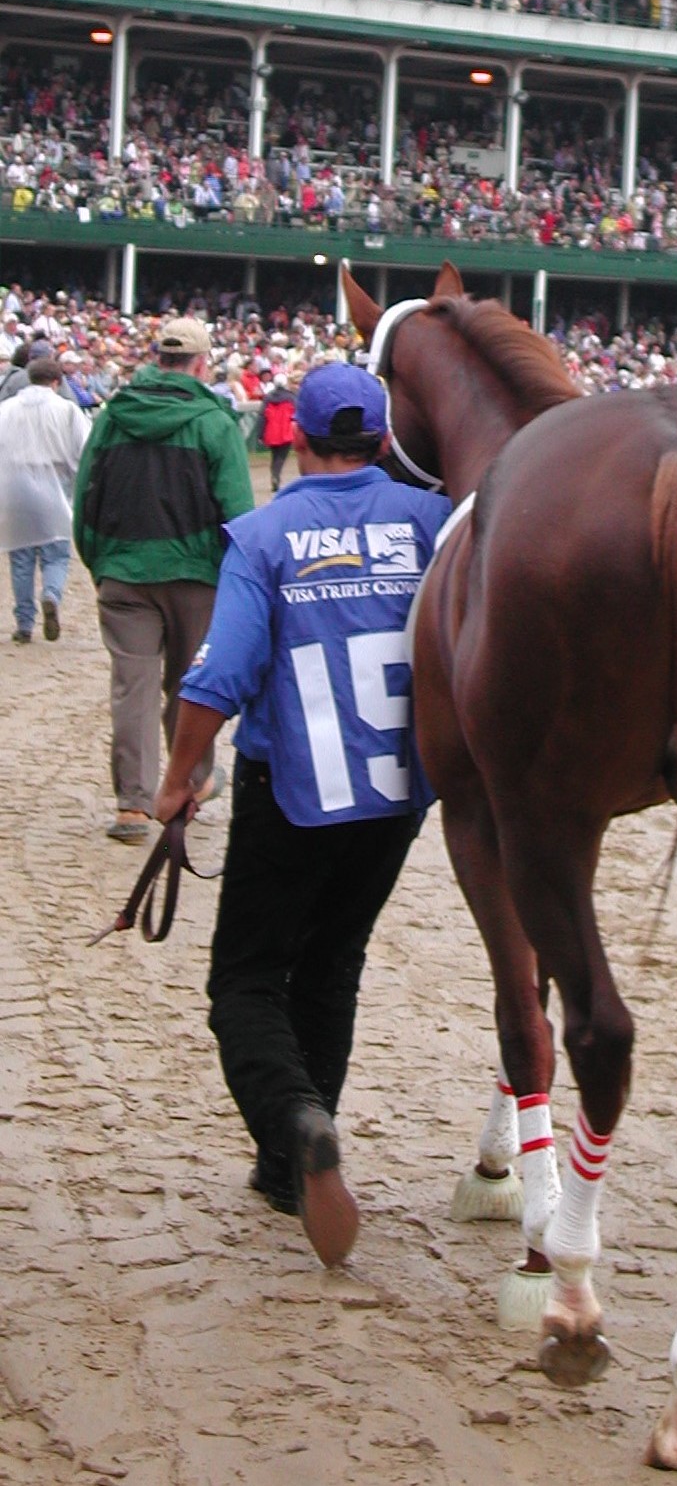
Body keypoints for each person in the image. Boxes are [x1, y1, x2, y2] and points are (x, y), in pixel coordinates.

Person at [153, 363, 450, 1268]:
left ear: (298, 436)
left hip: (289, 786)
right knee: (332, 965)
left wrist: (177, 774)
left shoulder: (266, 532)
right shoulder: (434, 522)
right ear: (382, 440)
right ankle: (286, 1166)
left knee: (244, 979)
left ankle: (294, 1126)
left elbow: (220, 673)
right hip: (397, 789)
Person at [73, 316, 254, 844]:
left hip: (123, 573)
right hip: (196, 577)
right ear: (200, 365)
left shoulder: (112, 418)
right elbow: (238, 513)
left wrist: (98, 561)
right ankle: (192, 784)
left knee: (133, 686)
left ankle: (132, 805)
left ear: (157, 359)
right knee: (189, 685)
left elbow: (86, 494)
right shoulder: (215, 422)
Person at [0, 355, 90, 642]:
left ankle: (24, 624)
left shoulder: (7, 408)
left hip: (14, 485)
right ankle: (51, 593)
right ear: (56, 381)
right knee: (56, 554)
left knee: (21, 558)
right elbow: (85, 450)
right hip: (54, 484)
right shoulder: (67, 410)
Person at [258, 372, 297, 492]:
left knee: (274, 456)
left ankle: (275, 476)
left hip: (271, 432)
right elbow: (296, 416)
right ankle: (276, 475)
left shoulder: (268, 397)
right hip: (286, 431)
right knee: (281, 456)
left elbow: (262, 416)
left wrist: (260, 434)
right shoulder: (291, 397)